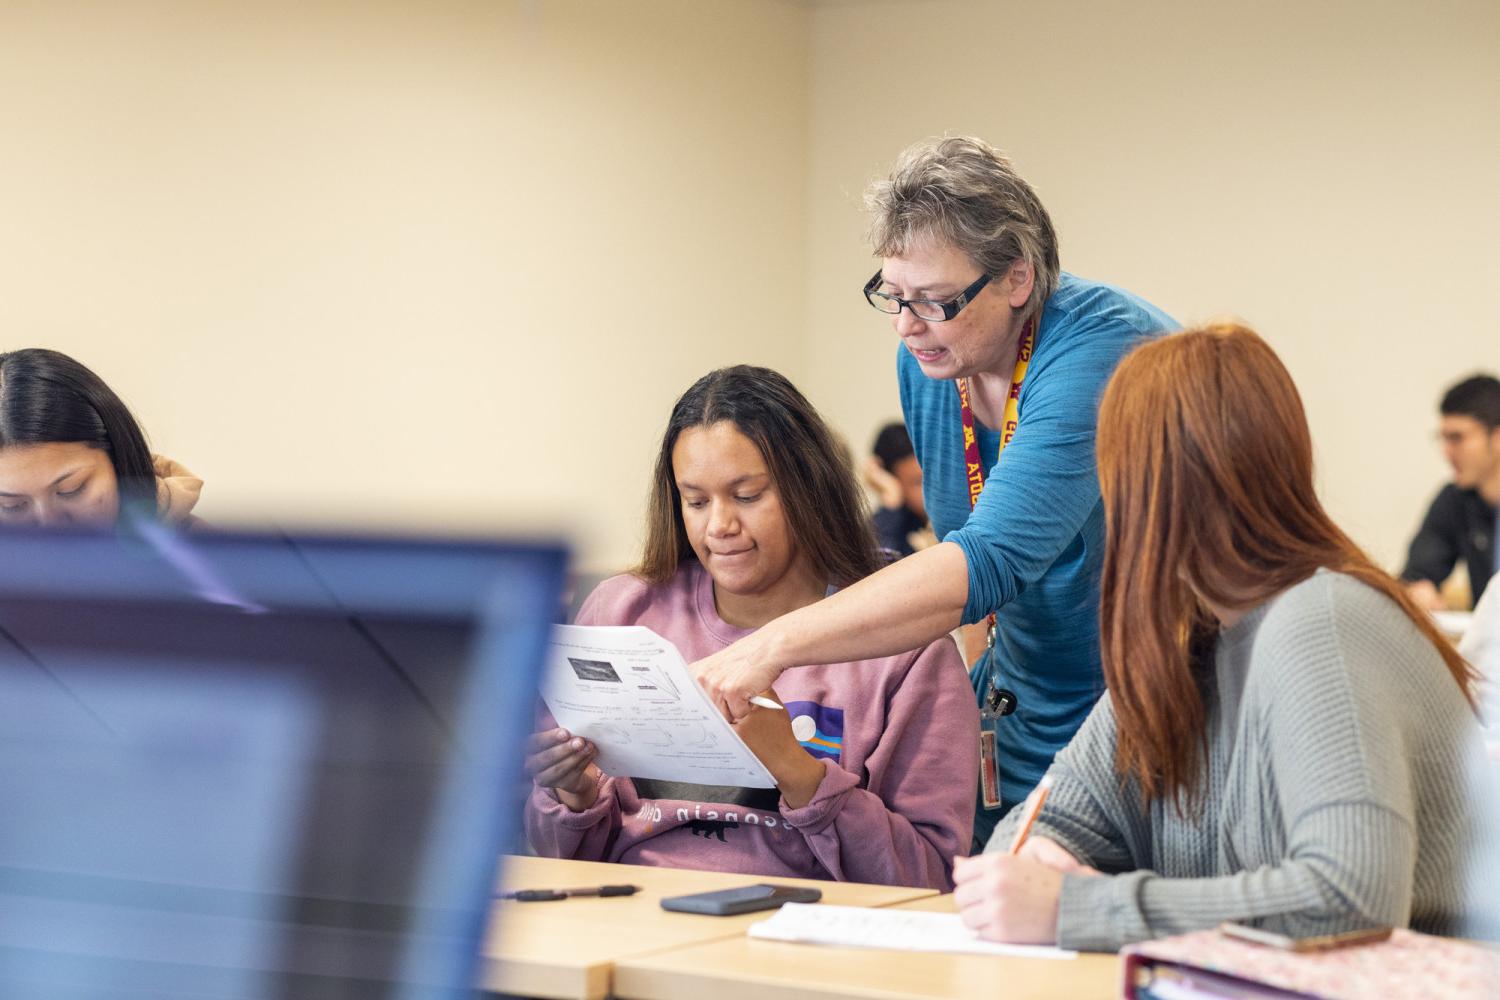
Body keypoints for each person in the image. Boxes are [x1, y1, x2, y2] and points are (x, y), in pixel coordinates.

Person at [691, 135, 1174, 848]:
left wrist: (776, 643)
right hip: (1024, 693)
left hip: (1148, 704)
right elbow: (967, 567)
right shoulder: (929, 362)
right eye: (893, 295)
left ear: (1017, 277)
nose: (908, 326)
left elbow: (986, 562)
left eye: (937, 301)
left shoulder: (1103, 355)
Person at [950, 324, 1493, 952]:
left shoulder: (1323, 620)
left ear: (1146, 487)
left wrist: (1080, 905)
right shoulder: (1187, 642)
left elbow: (1352, 901)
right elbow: (1040, 830)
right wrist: (1040, 868)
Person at [523, 366, 977, 890]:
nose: (719, 526)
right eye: (695, 501)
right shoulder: (621, 612)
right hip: (629, 915)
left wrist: (795, 769)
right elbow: (552, 855)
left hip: (809, 935)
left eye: (746, 495)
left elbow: (930, 879)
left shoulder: (904, 647)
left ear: (808, 489)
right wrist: (573, 796)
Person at [0, 348, 203, 528]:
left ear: (118, 460)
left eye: (71, 490)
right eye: (12, 506)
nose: (51, 525)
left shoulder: (207, 560)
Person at [1402, 374, 1500, 611]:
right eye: (1443, 439)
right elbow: (1416, 575)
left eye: (1457, 438)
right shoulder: (1456, 501)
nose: (1446, 452)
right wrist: (1415, 592)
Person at [863, 421, 932, 558]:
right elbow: (879, 570)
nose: (931, 489)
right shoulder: (891, 527)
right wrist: (891, 498)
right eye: (918, 482)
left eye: (932, 476)